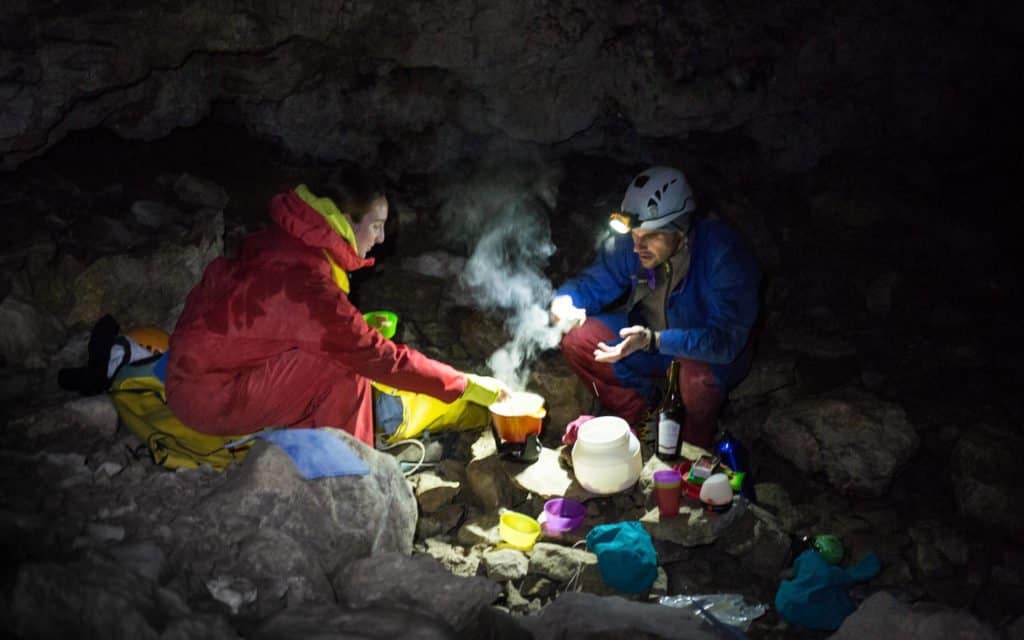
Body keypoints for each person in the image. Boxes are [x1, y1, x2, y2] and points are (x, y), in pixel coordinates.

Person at [166, 166, 508, 446]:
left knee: (340, 351)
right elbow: (379, 358)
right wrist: (464, 383)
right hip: (209, 398)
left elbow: (266, 320)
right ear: (345, 220)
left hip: (195, 373)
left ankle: (308, 437)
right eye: (376, 226)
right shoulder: (303, 277)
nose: (381, 238)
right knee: (347, 366)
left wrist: (347, 329)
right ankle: (347, 471)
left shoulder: (287, 239)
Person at [549, 166, 760, 449]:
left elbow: (724, 342)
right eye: (634, 234)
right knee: (578, 338)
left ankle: (693, 440)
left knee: (695, 381)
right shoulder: (633, 245)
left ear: (680, 230)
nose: (638, 246)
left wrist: (653, 341)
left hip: (704, 357)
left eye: (651, 235)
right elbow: (592, 284)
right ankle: (642, 415)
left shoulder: (723, 255)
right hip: (648, 342)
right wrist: (565, 301)